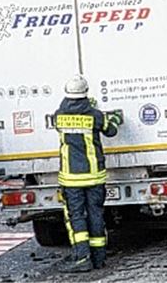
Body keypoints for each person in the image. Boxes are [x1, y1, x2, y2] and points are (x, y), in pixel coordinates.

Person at [54, 75, 122, 273]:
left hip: (71, 177)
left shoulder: (59, 116)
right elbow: (111, 130)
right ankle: (99, 258)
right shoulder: (95, 115)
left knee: (76, 216)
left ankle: (82, 257)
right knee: (95, 214)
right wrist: (115, 117)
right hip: (94, 176)